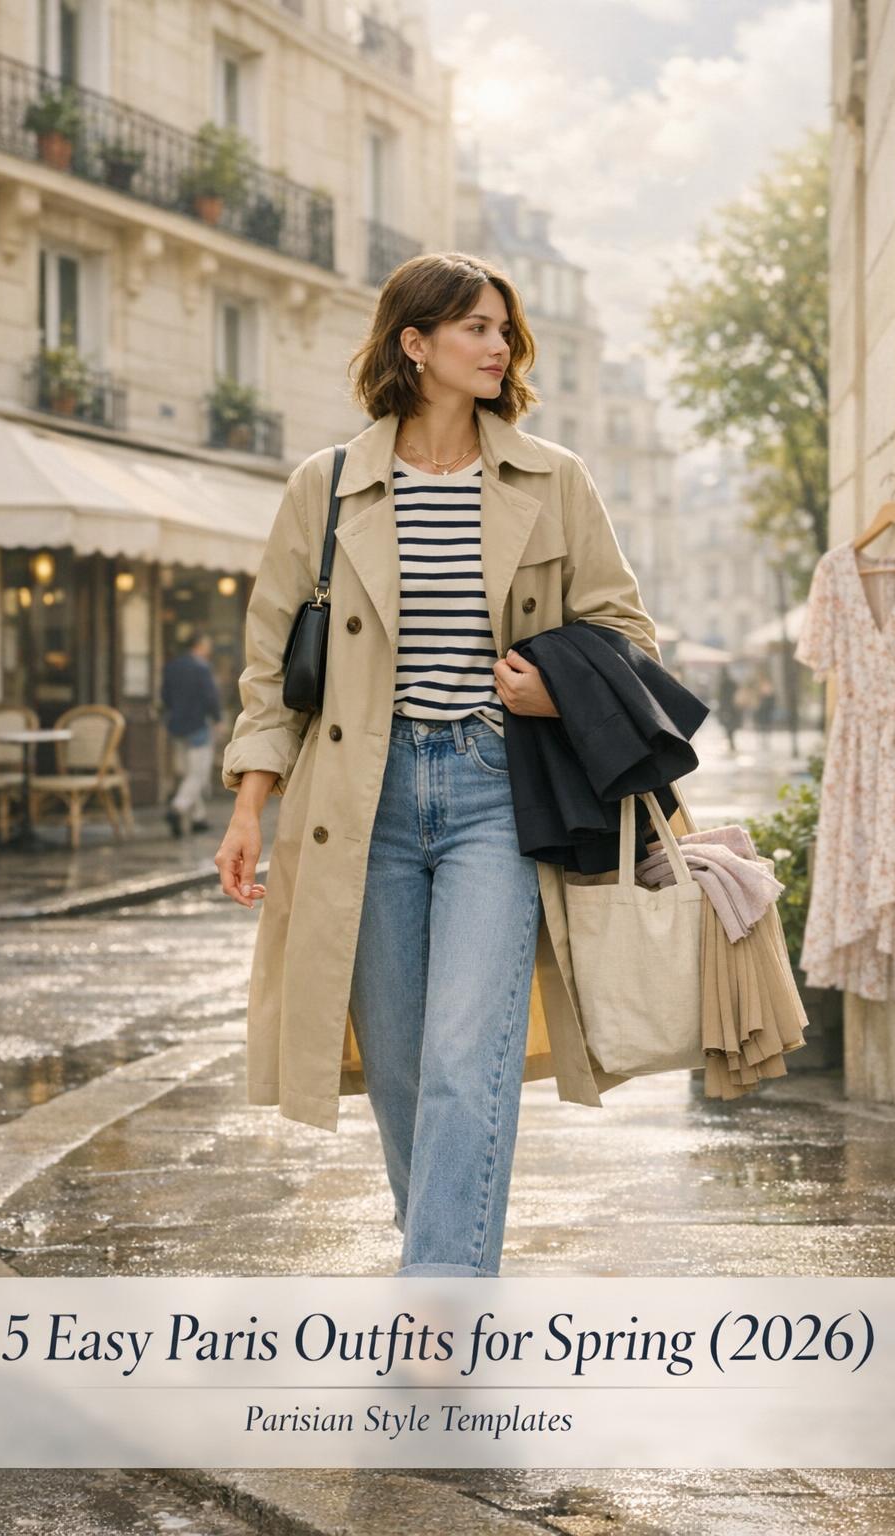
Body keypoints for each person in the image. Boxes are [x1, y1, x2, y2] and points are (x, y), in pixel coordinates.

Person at [214, 251, 662, 1277]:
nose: (498, 346)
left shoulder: (554, 480)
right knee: (404, 1071)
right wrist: (250, 808)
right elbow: (267, 667)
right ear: (414, 345)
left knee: (469, 1055)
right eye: (473, 327)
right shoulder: (323, 488)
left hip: (492, 793)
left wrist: (555, 688)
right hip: (354, 802)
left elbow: (626, 627)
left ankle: (438, 1295)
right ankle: (447, 1259)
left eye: (503, 328)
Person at [160, 631, 222, 836]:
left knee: (188, 774)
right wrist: (218, 719)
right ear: (199, 645)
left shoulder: (172, 666)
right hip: (198, 726)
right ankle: (178, 807)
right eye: (207, 644)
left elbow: (165, 697)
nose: (209, 648)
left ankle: (198, 818)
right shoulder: (201, 667)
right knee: (198, 774)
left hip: (176, 727)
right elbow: (210, 696)